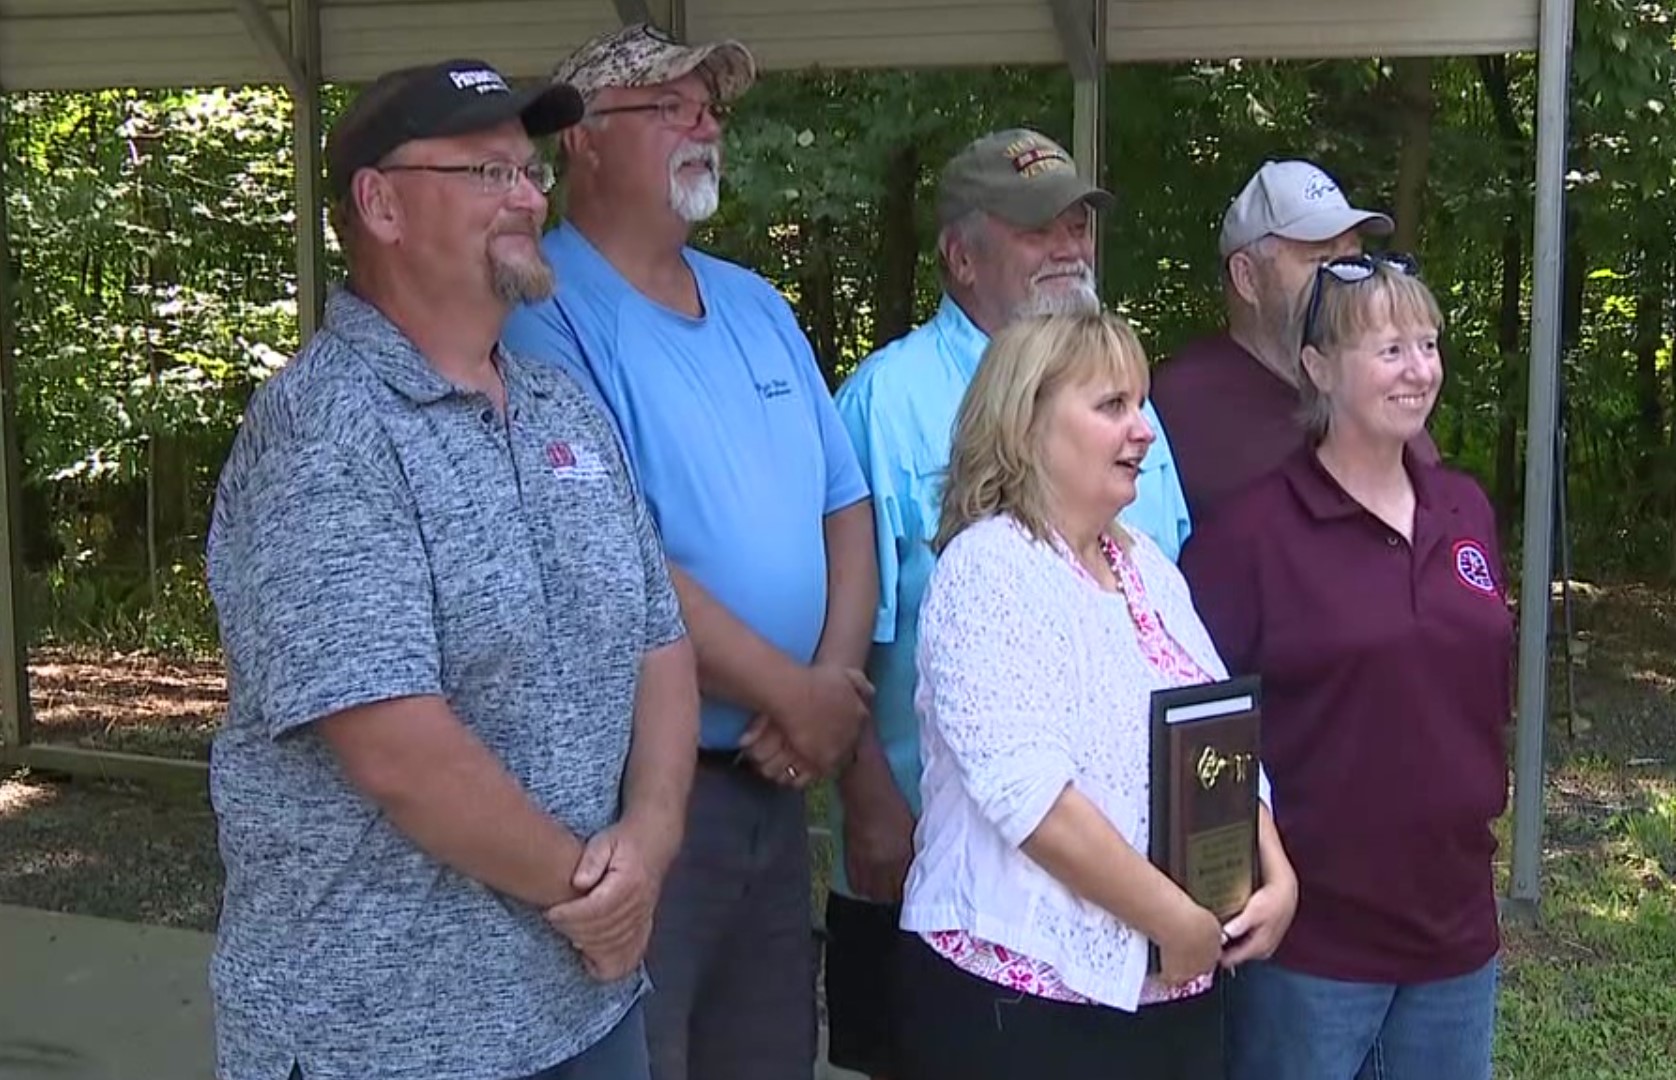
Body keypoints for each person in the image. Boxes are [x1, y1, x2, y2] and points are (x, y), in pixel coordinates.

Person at [204, 59, 698, 1080]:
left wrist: (647, 846)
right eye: (486, 172)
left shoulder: (564, 409)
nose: (527, 196)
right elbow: (398, 750)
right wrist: (590, 895)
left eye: (528, 172)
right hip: (384, 1035)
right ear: (379, 204)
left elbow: (661, 642)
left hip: (585, 1009)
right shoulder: (322, 433)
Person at [501, 22, 877, 1080]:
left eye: (708, 105)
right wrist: (796, 698)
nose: (704, 122)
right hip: (642, 795)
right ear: (580, 141)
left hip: (775, 779)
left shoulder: (757, 303)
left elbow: (844, 510)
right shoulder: (544, 310)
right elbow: (608, 556)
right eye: (669, 104)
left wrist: (830, 688)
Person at [824, 128, 1191, 1080]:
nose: (1069, 247)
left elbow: (1178, 649)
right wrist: (865, 798)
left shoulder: (1132, 411)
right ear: (961, 255)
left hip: (1135, 914)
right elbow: (847, 627)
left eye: (1078, 225)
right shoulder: (887, 399)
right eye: (1038, 230)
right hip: (956, 869)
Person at [892, 311, 1298, 1080]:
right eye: (1112, 406)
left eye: (1141, 404)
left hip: (1170, 991)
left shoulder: (1144, 562)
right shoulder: (988, 570)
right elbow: (1032, 799)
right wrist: (1173, 918)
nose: (1144, 430)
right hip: (1021, 1010)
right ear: (1027, 422)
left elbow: (1220, 733)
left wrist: (1275, 875)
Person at [1180, 255, 1513, 1080]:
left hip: (1455, 930)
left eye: (1429, 344)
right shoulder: (1251, 535)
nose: (1419, 368)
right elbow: (1199, 734)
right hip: (1312, 944)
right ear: (1318, 367)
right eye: (1389, 348)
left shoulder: (1463, 507)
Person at [1153, 159, 1436, 524]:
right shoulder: (1178, 406)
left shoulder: (1376, 391)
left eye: (1351, 260)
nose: (1341, 282)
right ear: (1247, 278)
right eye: (1320, 260)